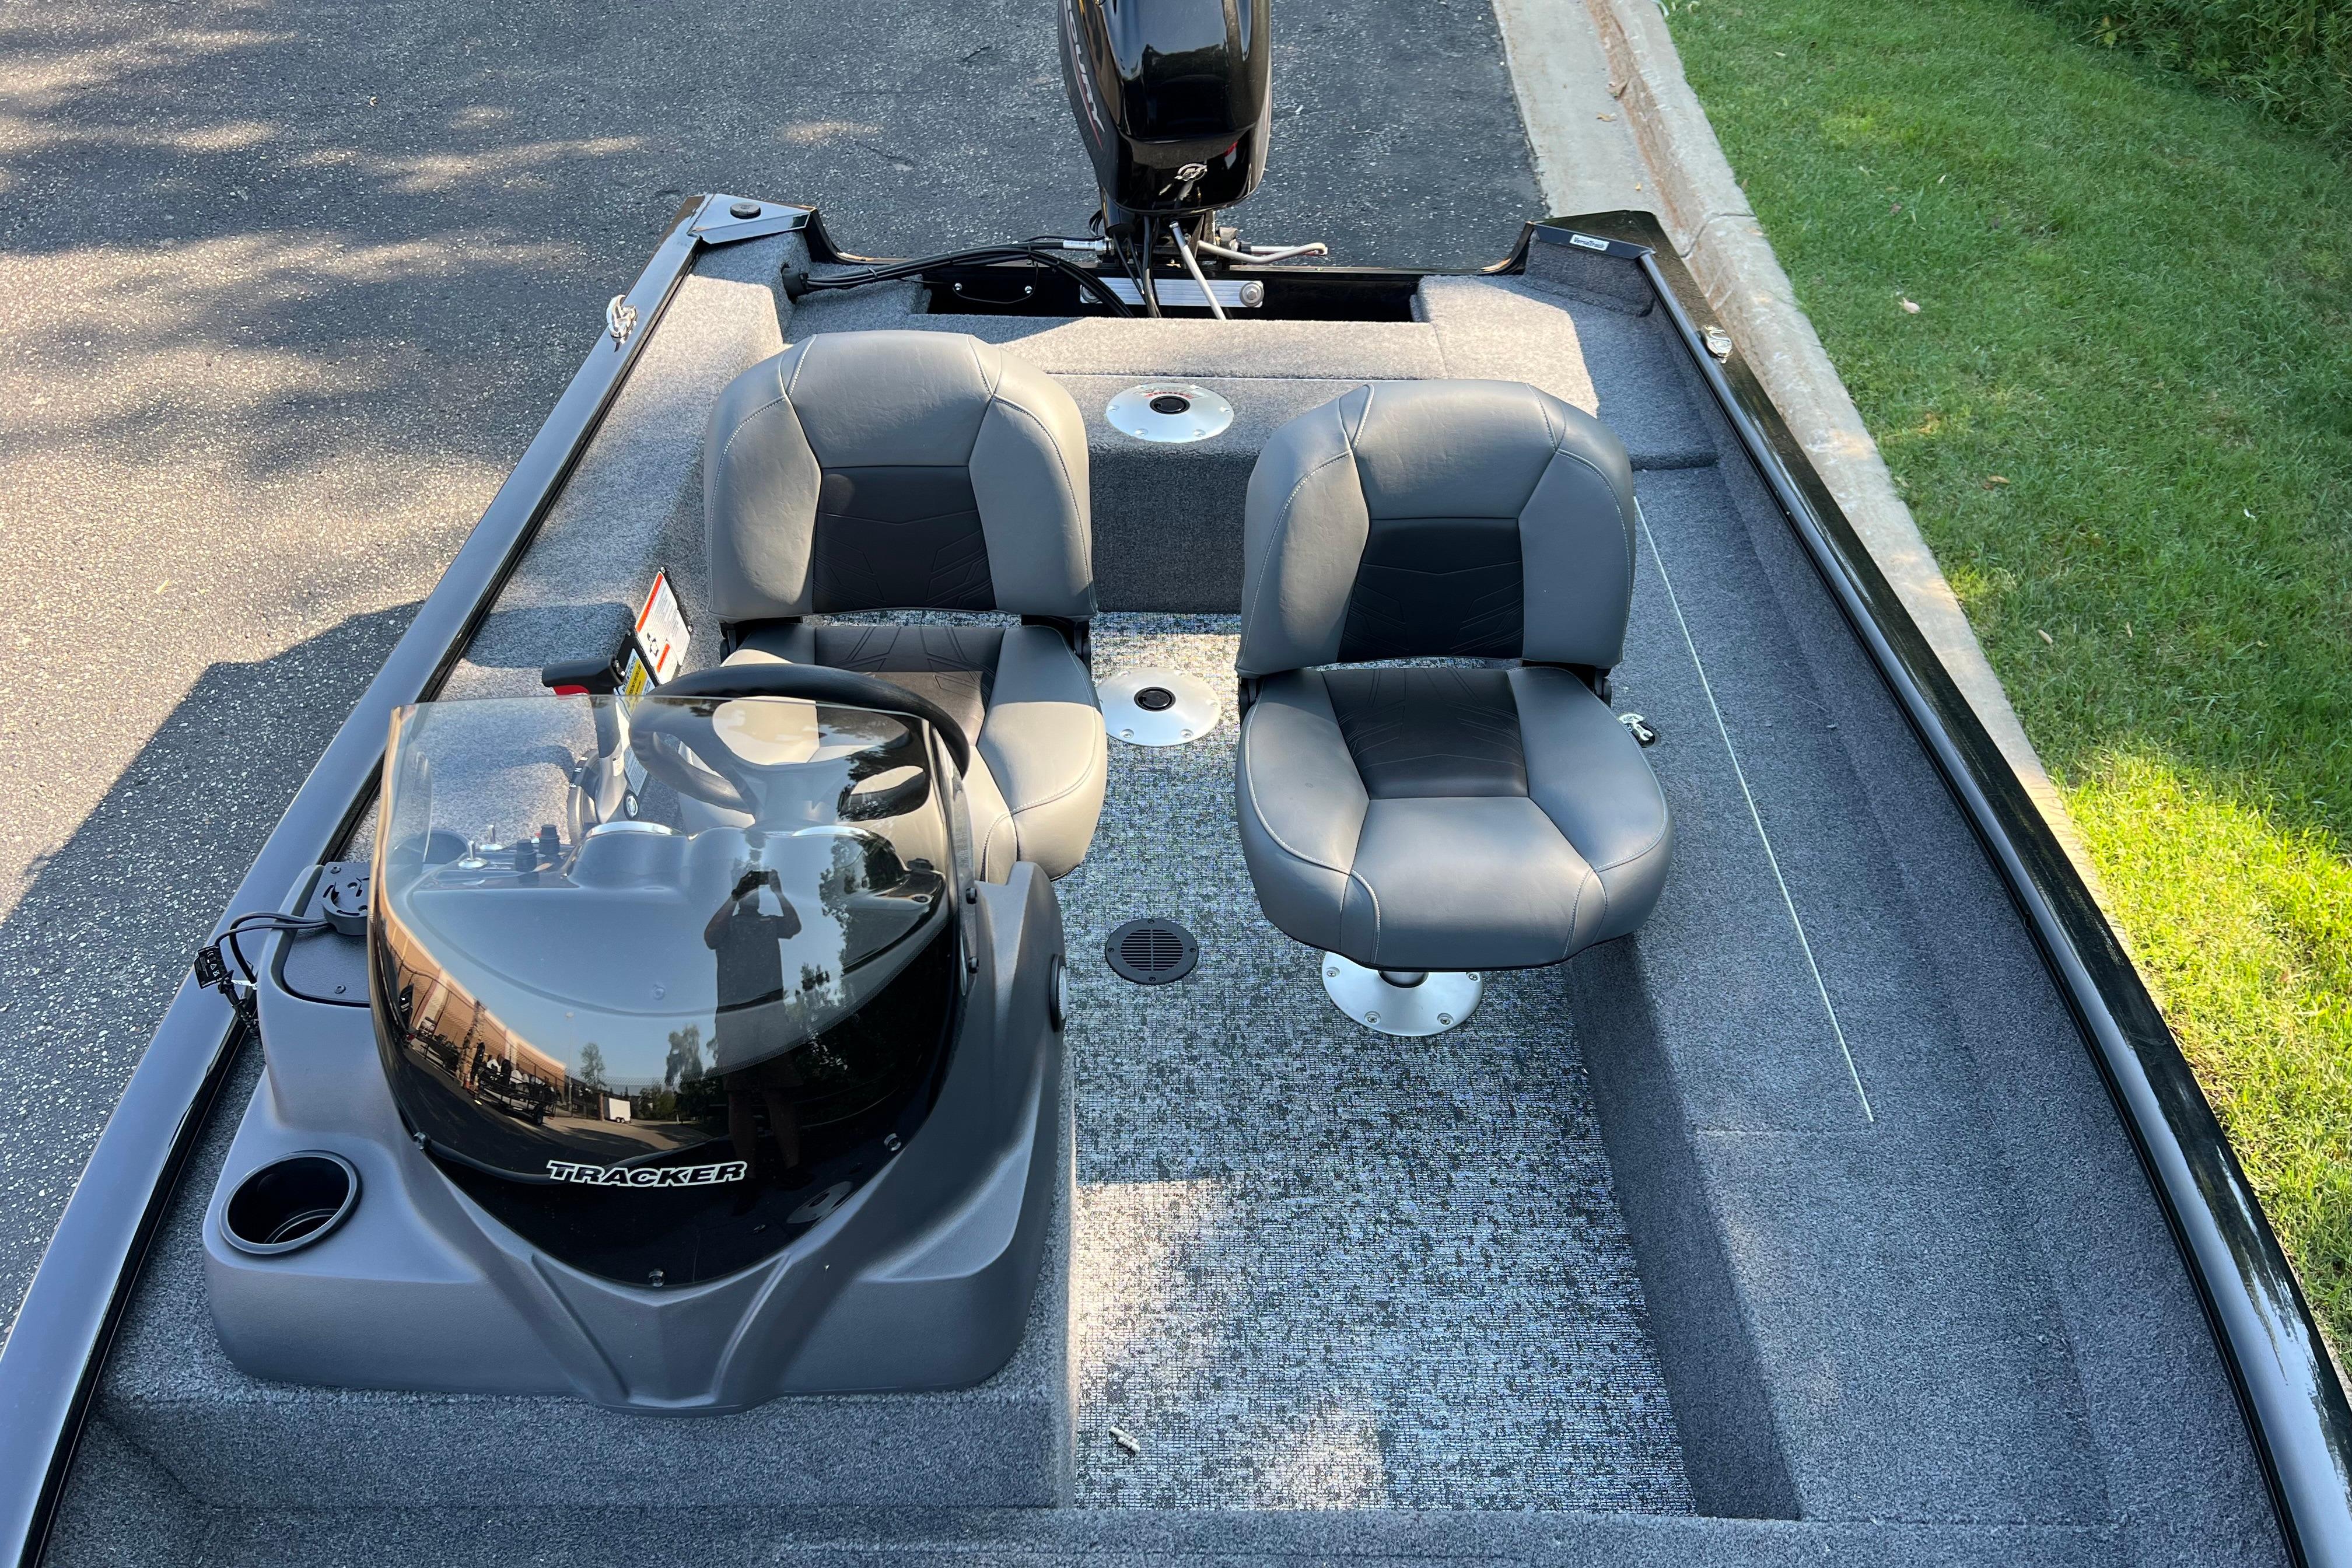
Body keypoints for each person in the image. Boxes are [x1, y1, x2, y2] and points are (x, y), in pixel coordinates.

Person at [704, 857, 813, 1189]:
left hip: (769, 1013)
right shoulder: (727, 923)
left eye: (755, 887)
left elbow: (793, 927)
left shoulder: (769, 922)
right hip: (734, 1016)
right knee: (738, 1095)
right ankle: (747, 1175)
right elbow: (710, 937)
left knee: (777, 1091)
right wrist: (735, 895)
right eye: (746, 886)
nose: (752, 893)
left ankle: (793, 1167)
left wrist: (779, 891)